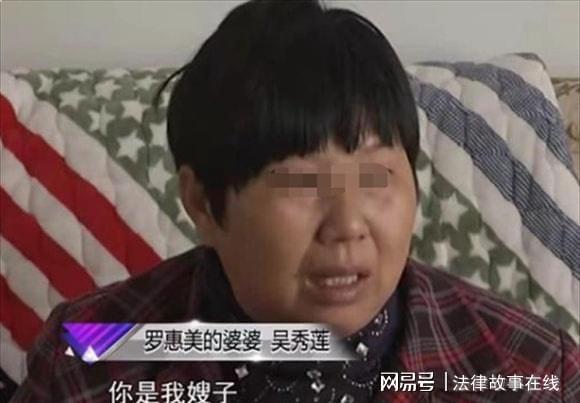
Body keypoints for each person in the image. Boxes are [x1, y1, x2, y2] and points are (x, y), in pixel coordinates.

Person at [11, 1, 580, 402]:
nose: (348, 225)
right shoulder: (90, 362)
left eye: (377, 177)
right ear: (203, 203)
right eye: (301, 183)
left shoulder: (529, 373)